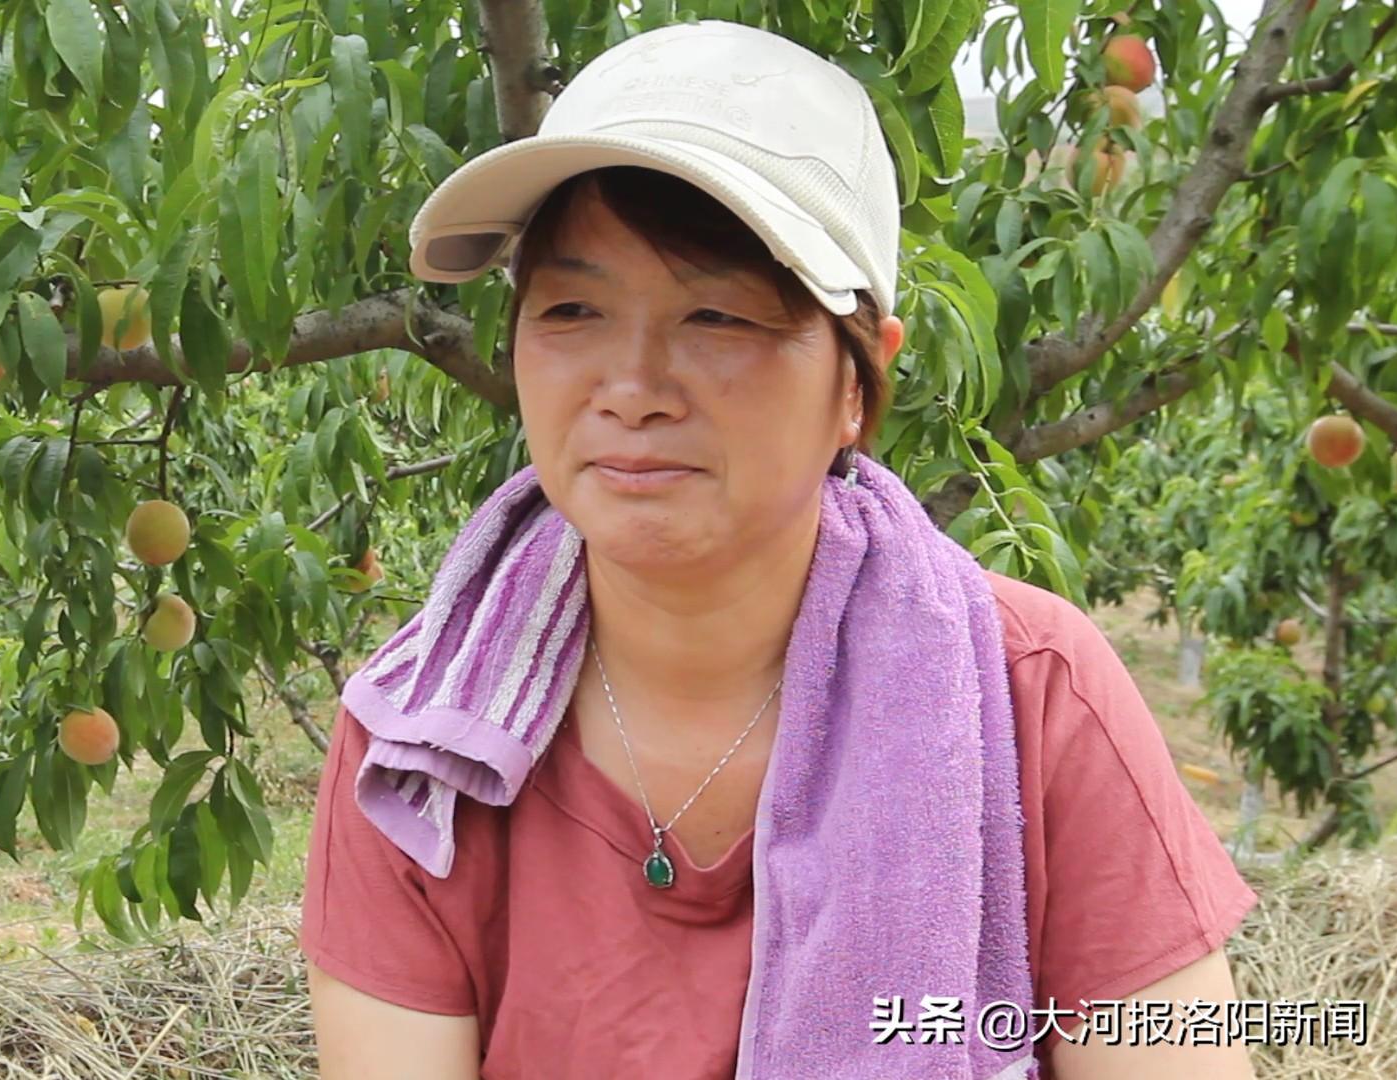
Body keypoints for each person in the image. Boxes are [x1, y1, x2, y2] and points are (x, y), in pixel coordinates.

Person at [300, 21, 1258, 1080]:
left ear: (858, 377)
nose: (630, 386)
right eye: (571, 308)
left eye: (717, 314)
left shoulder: (1033, 696)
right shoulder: (419, 744)